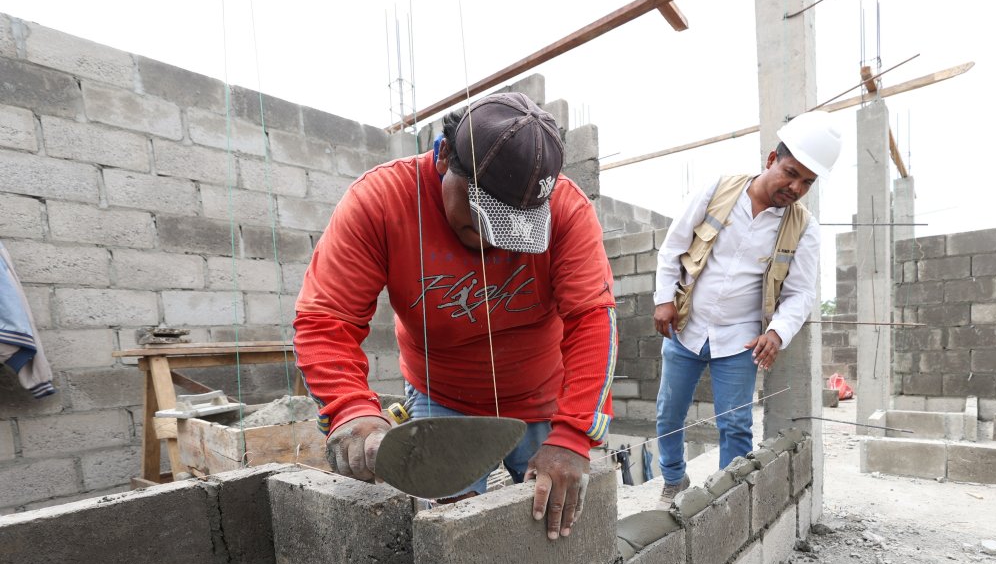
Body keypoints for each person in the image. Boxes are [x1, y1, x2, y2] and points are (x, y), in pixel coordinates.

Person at [292, 92, 617, 540]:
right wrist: (350, 407)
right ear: (444, 156)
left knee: (558, 532)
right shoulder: (382, 202)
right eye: (480, 214)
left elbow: (592, 322)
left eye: (510, 225)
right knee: (451, 536)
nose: (492, 238)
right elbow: (326, 318)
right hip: (441, 396)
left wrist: (574, 434)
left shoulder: (566, 211)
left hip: (543, 399)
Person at [650, 111, 842, 505]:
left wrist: (777, 332)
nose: (795, 187)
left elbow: (801, 293)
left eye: (807, 182)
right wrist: (664, 299)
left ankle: (727, 500)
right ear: (772, 158)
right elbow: (673, 246)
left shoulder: (804, 227)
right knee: (669, 415)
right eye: (790, 173)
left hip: (739, 338)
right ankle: (673, 480)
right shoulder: (719, 190)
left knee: (735, 424)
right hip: (686, 326)